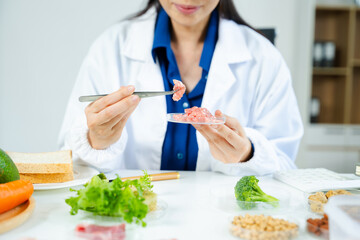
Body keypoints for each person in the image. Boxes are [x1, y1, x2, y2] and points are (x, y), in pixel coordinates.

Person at [58, 0, 303, 175]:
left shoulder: (263, 57)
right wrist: (96, 142)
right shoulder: (109, 48)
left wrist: (248, 155)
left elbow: (286, 167)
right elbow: (67, 162)